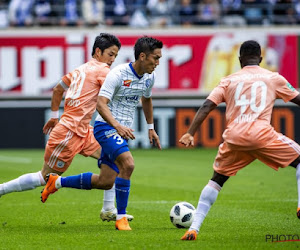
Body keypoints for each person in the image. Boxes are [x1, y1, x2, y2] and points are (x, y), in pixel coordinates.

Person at [0, 33, 128, 222]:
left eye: (115, 56)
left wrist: (54, 116)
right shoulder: (103, 71)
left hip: (84, 130)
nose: (112, 60)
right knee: (45, 177)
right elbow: (119, 91)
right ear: (98, 51)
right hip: (68, 132)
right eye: (110, 54)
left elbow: (58, 89)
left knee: (115, 158)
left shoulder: (78, 70)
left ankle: (108, 209)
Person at [179, 40, 300, 240]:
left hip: (234, 138)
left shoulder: (228, 80)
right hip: (262, 135)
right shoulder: (273, 78)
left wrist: (190, 132)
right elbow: (297, 99)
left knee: (216, 180)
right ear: (260, 59)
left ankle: (194, 228)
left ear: (239, 59)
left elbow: (207, 105)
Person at [41, 36, 163, 231]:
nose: (158, 63)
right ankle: (120, 218)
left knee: (106, 181)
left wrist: (150, 127)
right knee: (128, 164)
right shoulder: (116, 74)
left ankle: (58, 182)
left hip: (121, 130)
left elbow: (146, 100)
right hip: (105, 127)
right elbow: (100, 103)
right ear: (142, 56)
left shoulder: (150, 77)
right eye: (155, 58)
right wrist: (116, 125)